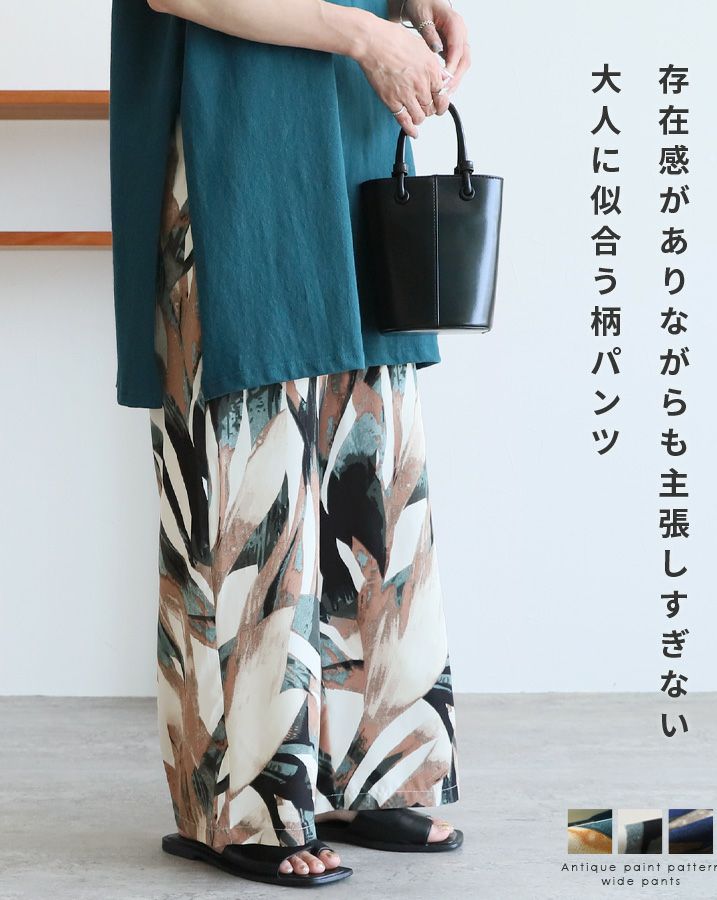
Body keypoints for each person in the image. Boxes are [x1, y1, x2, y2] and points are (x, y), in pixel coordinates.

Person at [109, 0, 470, 888]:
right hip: (232, 120)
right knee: (250, 465)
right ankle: (238, 802)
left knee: (369, 447)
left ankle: (366, 770)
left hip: (349, 118)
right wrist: (365, 35)